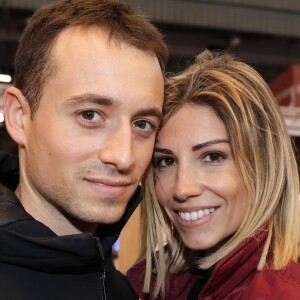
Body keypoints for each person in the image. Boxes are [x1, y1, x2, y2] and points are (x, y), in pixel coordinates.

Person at [0, 0, 167, 299]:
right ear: (18, 117)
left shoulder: (122, 290)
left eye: (142, 124)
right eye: (90, 115)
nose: (124, 157)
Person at [127, 50, 300, 299]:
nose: (182, 188)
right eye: (166, 161)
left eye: (212, 157)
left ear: (262, 167)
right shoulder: (149, 285)